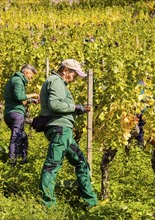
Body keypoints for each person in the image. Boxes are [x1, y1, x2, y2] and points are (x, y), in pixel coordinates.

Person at [38, 59, 98, 209]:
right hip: (60, 130)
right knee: (52, 165)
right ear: (65, 70)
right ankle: (47, 205)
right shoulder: (56, 81)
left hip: (63, 130)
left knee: (81, 162)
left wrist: (77, 109)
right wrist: (75, 107)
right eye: (74, 74)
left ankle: (91, 202)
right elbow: (55, 104)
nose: (75, 78)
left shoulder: (57, 82)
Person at [3, 64, 39, 166]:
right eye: (31, 76)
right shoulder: (18, 80)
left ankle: (23, 160)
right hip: (16, 114)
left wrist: (31, 101)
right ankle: (12, 163)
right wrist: (33, 94)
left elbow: (20, 100)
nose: (30, 79)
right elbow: (19, 97)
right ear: (26, 72)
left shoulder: (14, 81)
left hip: (10, 113)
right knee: (16, 137)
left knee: (23, 136)